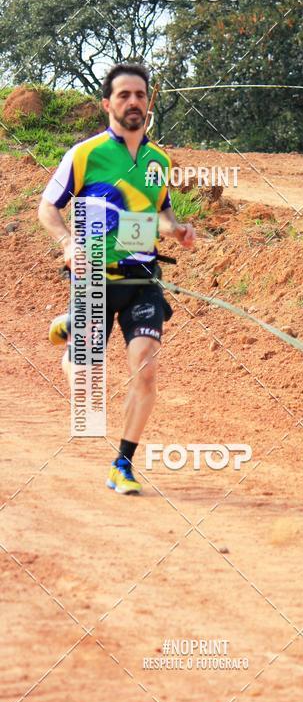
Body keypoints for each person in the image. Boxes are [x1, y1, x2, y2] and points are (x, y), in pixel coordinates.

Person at [38, 63, 195, 494]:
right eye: (124, 95)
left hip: (142, 279)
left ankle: (122, 464)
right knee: (87, 386)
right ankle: (72, 332)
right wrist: (68, 243)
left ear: (149, 103)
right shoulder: (84, 155)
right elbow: (48, 208)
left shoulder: (158, 161)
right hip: (92, 280)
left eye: (140, 95)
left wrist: (177, 230)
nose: (133, 102)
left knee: (145, 372)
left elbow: (160, 213)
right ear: (107, 104)